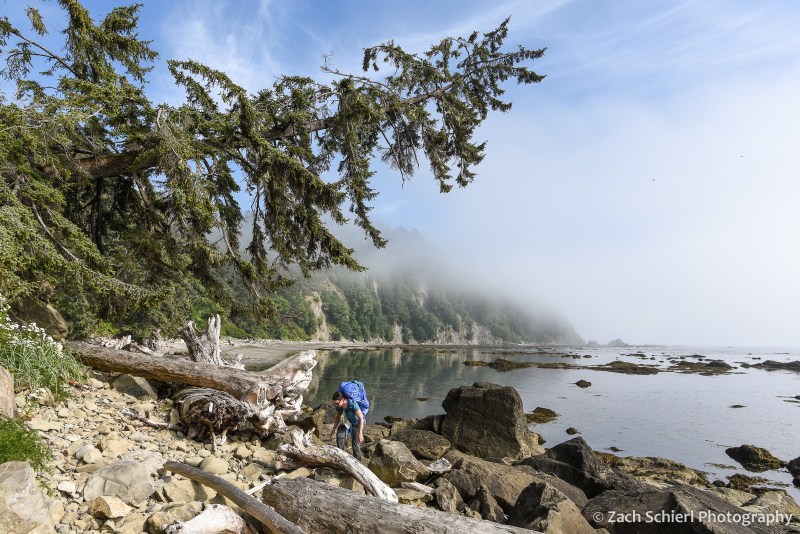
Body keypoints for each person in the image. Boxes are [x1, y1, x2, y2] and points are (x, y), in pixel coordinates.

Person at [329, 390, 365, 460]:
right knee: (339, 436)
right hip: (345, 421)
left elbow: (361, 419)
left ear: (342, 399)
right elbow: (337, 417)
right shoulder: (340, 407)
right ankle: (341, 458)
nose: (336, 405)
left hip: (356, 423)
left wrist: (360, 434)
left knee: (355, 444)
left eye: (337, 403)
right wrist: (333, 430)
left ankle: (357, 462)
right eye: (334, 404)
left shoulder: (352, 404)